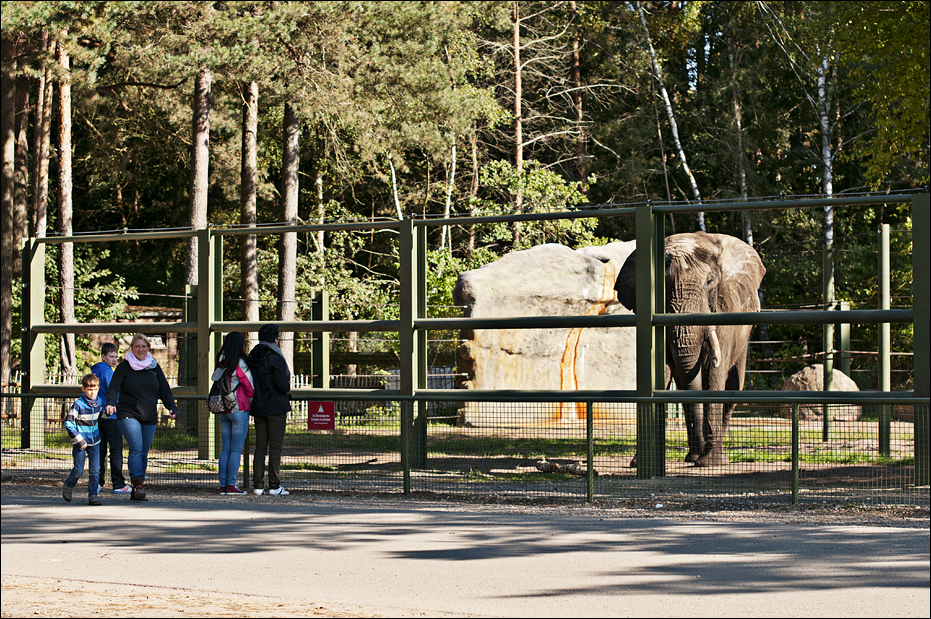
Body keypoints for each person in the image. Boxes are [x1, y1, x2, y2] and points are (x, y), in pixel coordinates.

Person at [106, 333, 177, 502]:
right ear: (132, 348)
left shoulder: (153, 366)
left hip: (149, 414)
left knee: (143, 452)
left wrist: (171, 407)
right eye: (137, 346)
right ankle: (138, 485)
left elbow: (164, 389)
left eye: (143, 346)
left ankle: (137, 486)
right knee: (136, 448)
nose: (141, 349)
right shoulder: (124, 366)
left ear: (148, 348)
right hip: (128, 413)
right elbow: (113, 387)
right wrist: (110, 403)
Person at [248, 324, 292, 496]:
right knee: (275, 447)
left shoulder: (252, 356)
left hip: (258, 407)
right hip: (276, 407)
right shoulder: (275, 356)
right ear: (275, 339)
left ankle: (257, 485)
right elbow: (283, 386)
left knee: (260, 447)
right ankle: (274, 485)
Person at [214, 331, 254, 495]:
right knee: (236, 450)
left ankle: (223, 485)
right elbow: (250, 388)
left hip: (222, 409)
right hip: (239, 409)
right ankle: (231, 484)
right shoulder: (239, 363)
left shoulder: (220, 362)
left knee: (225, 449)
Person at [92, 341, 131, 494]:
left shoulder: (96, 371)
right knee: (115, 450)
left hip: (98, 415)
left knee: (100, 450)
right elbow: (114, 391)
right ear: (103, 356)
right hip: (111, 415)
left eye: (116, 356)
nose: (114, 360)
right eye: (111, 356)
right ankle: (118, 483)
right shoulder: (108, 373)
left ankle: (97, 482)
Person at [62, 374, 106, 506]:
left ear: (98, 388)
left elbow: (100, 416)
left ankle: (93, 495)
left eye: (95, 389)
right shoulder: (78, 404)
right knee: (79, 470)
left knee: (95, 470)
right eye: (89, 390)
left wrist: (108, 413)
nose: (92, 392)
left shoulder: (99, 402)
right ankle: (69, 485)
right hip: (80, 442)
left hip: (95, 441)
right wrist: (79, 439)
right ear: (83, 389)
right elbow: (69, 423)